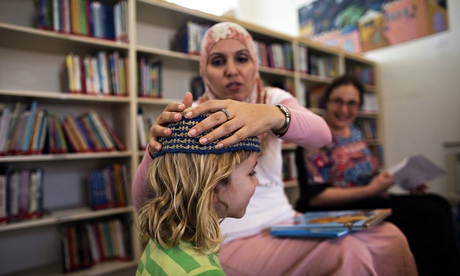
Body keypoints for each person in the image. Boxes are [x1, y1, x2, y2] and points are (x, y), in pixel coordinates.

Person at [133, 22, 417, 275]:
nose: (232, 70)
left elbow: (322, 135)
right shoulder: (195, 117)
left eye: (242, 59)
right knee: (348, 254)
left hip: (285, 221)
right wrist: (153, 149)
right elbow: (142, 201)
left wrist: (270, 116)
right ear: (204, 70)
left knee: (390, 237)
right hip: (233, 235)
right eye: (218, 61)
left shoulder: (271, 98)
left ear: (254, 64)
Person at [296, 74, 460, 276]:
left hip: (371, 197)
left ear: (359, 106)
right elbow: (315, 198)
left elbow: (370, 174)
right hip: (339, 207)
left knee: (438, 202)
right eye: (338, 101)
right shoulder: (315, 137)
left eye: (352, 104)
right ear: (326, 101)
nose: (344, 110)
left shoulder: (355, 131)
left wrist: (405, 180)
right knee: (429, 214)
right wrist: (371, 189)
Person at [136, 109, 261, 275]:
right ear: (214, 187)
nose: (257, 181)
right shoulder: (203, 272)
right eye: (251, 173)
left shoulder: (162, 239)